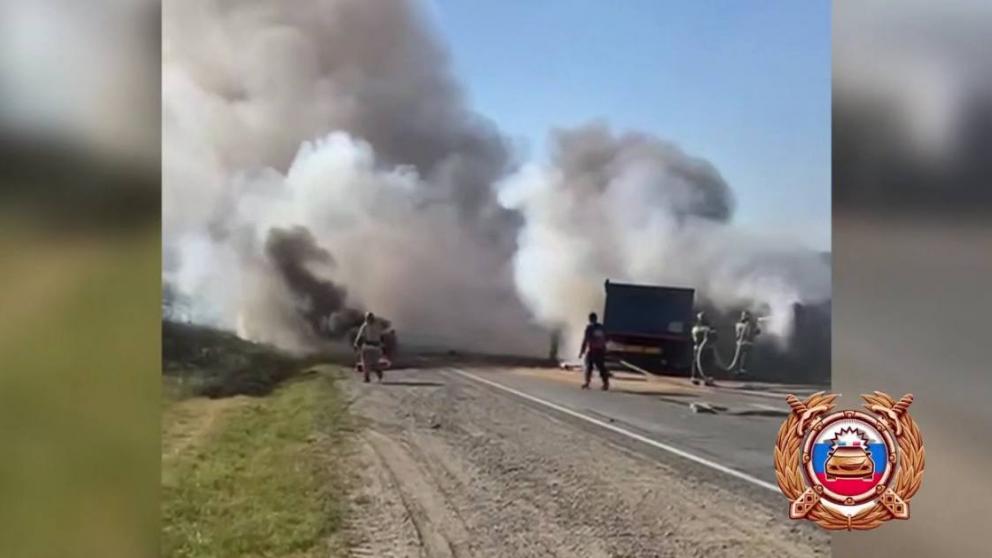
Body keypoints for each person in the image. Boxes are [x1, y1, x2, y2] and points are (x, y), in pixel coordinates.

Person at [579, 312, 610, 390]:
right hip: (600, 350)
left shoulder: (590, 328)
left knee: (589, 366)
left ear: (590, 319)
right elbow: (606, 338)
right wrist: (604, 347)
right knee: (601, 367)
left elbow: (586, 340)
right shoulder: (601, 328)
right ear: (596, 318)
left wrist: (582, 351)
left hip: (593, 350)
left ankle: (587, 383)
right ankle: (606, 383)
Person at [354, 312, 386, 383]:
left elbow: (360, 336)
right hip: (374, 346)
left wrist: (356, 344)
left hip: (370, 346)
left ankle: (371, 376)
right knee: (371, 362)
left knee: (368, 362)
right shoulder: (377, 325)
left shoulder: (366, 326)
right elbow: (382, 336)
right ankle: (370, 376)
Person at [690, 311, 716, 386]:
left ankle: (697, 377)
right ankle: (705, 378)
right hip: (705, 348)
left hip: (700, 348)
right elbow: (714, 337)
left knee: (698, 363)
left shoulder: (695, 328)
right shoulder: (707, 328)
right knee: (706, 363)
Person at [732, 310, 761, 376]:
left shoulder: (752, 325)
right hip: (739, 344)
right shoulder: (739, 324)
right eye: (743, 315)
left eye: (745, 315)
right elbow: (739, 333)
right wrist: (751, 325)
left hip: (747, 344)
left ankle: (743, 369)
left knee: (745, 356)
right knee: (738, 357)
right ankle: (738, 370)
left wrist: (755, 324)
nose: (743, 316)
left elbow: (758, 332)